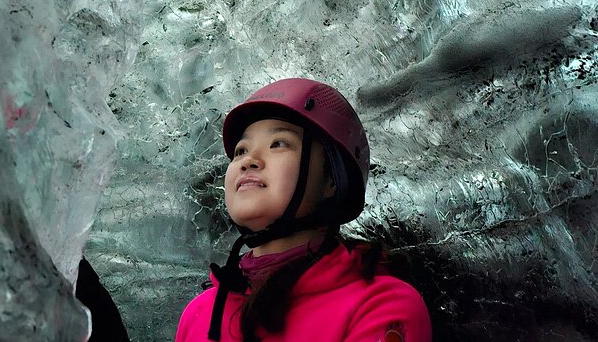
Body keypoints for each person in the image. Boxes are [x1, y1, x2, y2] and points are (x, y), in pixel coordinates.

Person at [176, 78, 431, 342]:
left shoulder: (381, 308)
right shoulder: (200, 312)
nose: (248, 160)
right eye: (241, 150)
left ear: (332, 178)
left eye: (279, 143)